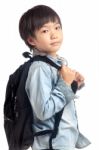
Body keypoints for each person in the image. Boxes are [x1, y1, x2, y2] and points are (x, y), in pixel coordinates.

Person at [19, 5, 91, 150]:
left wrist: (73, 83)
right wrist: (65, 83)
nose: (54, 35)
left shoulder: (56, 63)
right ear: (31, 40)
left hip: (63, 141)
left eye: (57, 28)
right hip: (52, 143)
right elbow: (43, 111)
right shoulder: (39, 69)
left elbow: (59, 99)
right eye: (45, 30)